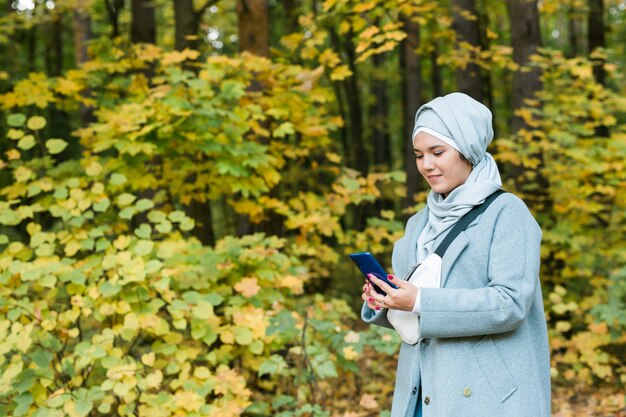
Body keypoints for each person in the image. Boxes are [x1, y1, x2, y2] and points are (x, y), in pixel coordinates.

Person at [361, 92, 551, 417]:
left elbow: (510, 303)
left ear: (469, 150)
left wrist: (420, 301)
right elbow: (416, 315)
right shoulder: (418, 224)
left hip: (487, 399)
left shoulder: (507, 213)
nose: (427, 165)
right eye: (419, 155)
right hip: (422, 394)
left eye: (438, 152)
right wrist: (386, 300)